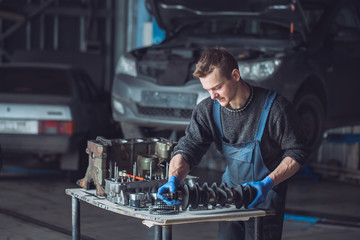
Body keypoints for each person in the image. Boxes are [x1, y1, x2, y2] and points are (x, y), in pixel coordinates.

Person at [157, 48, 309, 240]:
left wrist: (267, 184)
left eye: (217, 87)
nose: (212, 95)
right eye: (207, 90)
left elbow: (297, 152)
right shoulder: (207, 110)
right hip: (228, 197)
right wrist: (174, 179)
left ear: (235, 75)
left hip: (266, 196)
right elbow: (189, 147)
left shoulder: (276, 109)